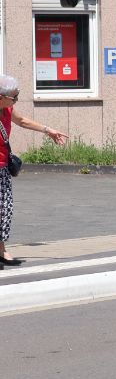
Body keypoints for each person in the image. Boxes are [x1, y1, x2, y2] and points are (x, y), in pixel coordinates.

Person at [0, 75, 68, 269]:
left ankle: (2, 250)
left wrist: (49, 130)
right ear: (0, 97)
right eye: (14, 98)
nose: (15, 101)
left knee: (4, 210)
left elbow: (22, 121)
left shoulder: (7, 109)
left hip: (3, 167)